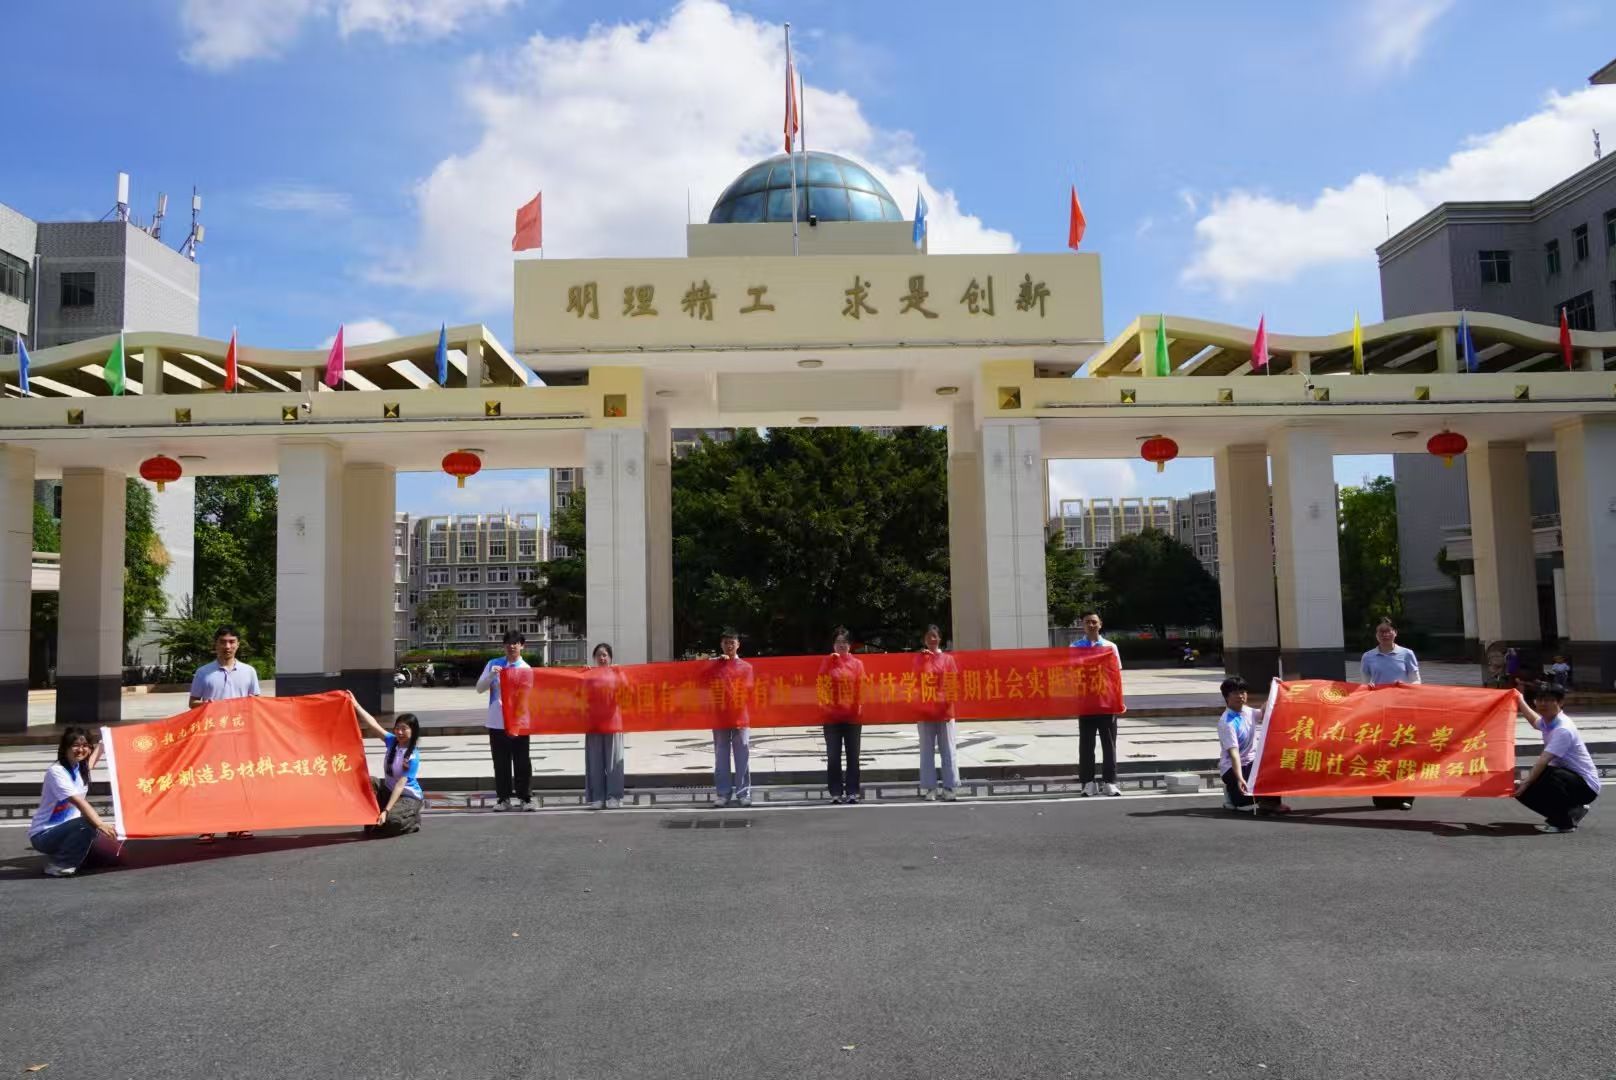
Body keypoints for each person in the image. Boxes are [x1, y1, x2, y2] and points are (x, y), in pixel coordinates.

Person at [189, 625, 261, 842]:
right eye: (223, 642)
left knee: (239, 780)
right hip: (211, 737)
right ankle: (208, 826)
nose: (227, 646)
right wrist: (206, 705)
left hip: (240, 736)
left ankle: (239, 825)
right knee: (211, 780)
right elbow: (192, 703)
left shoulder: (249, 671)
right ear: (215, 645)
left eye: (231, 642)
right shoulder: (203, 672)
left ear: (238, 644)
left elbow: (256, 702)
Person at [29, 727, 117, 877]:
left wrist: (105, 741)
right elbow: (78, 802)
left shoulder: (79, 768)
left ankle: (73, 855)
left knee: (111, 856)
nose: (81, 750)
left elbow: (91, 762)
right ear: (65, 747)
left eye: (85, 746)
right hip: (44, 834)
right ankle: (59, 864)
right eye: (76, 745)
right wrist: (100, 824)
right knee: (88, 823)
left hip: (68, 830)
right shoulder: (57, 772)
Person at [1513, 685, 1599, 833]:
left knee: (1544, 774)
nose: (1543, 704)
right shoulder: (1548, 722)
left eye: (1548, 700)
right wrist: (1520, 700)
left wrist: (1526, 782)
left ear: (1560, 702)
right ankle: (1572, 811)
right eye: (1539, 699)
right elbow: (1534, 721)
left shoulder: (1563, 729)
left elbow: (1543, 760)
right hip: (1569, 780)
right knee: (1518, 790)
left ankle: (1563, 824)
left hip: (1586, 787)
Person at [1360, 617, 1420, 811]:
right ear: (1376, 635)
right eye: (1381, 631)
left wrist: (1404, 687)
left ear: (1395, 633)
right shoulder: (1368, 656)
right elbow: (1364, 683)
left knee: (1403, 752)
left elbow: (1416, 681)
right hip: (1379, 711)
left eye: (1388, 631)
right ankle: (1382, 796)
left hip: (1403, 711)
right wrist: (1368, 687)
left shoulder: (1406, 654)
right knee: (1380, 753)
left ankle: (1406, 796)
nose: (1385, 634)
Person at [350, 695, 424, 836]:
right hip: (389, 792)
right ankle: (375, 815)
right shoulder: (392, 741)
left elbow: (400, 786)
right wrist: (356, 705)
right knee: (370, 781)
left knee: (391, 822)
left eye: (404, 729)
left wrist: (386, 811)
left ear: (413, 731)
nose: (399, 732)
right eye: (397, 728)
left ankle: (413, 820)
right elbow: (373, 724)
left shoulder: (412, 756)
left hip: (408, 798)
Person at [476, 631, 533, 811]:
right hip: (497, 721)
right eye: (508, 643)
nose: (511, 646)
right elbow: (479, 688)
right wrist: (491, 676)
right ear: (504, 646)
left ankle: (525, 798)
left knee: (522, 761)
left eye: (515, 643)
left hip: (518, 722)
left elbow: (528, 697)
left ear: (522, 646)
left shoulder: (526, 669)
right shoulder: (493, 664)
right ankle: (503, 798)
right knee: (501, 762)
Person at [1216, 677, 1289, 815]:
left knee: (1275, 768)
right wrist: (1239, 778)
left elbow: (1264, 712)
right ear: (1226, 696)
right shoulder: (1227, 723)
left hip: (1252, 762)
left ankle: (1270, 803)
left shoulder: (1247, 711)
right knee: (1244, 795)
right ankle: (1232, 796)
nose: (1240, 696)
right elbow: (1234, 754)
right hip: (1233, 768)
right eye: (1235, 693)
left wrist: (1274, 690)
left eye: (1243, 692)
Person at [1071, 611, 1122, 797]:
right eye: (1087, 622)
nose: (1091, 625)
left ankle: (1110, 782)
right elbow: (1072, 672)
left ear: (1100, 624)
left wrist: (1118, 702)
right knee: (1086, 745)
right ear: (1082, 625)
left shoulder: (1110, 647)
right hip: (1085, 703)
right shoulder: (1075, 647)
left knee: (1109, 745)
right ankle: (1088, 783)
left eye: (1094, 622)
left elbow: (1116, 676)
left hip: (1106, 703)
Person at [819, 627, 866, 804]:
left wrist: (859, 705)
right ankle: (835, 792)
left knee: (853, 756)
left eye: (845, 642)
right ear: (833, 645)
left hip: (852, 717)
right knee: (833, 756)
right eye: (838, 642)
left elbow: (862, 686)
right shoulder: (827, 662)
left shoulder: (857, 664)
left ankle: (852, 791)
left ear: (850, 645)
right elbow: (821, 685)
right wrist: (825, 706)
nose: (841, 645)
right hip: (831, 717)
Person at [709, 628, 755, 807]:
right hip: (720, 716)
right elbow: (701, 679)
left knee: (742, 755)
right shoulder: (714, 666)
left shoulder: (746, 667)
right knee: (721, 756)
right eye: (726, 642)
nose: (729, 646)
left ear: (738, 645)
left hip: (740, 716)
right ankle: (723, 793)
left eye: (732, 642)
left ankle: (743, 793)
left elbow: (749, 690)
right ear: (721, 645)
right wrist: (714, 664)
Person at [916, 624, 961, 801]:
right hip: (925, 712)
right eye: (928, 636)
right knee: (926, 751)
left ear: (940, 638)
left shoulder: (948, 659)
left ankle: (949, 786)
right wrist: (925, 661)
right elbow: (915, 681)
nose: (932, 639)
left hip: (945, 712)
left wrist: (944, 702)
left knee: (948, 749)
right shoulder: (920, 659)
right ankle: (930, 788)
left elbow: (953, 684)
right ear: (924, 640)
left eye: (934, 636)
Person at [584, 643, 627, 810]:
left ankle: (614, 796)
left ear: (610, 657)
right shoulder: (589, 675)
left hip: (613, 722)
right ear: (594, 658)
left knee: (613, 761)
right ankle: (597, 797)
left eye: (605, 655)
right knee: (595, 762)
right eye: (599, 655)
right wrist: (582, 675)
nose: (602, 658)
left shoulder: (616, 674)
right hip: (593, 723)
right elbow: (579, 693)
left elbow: (627, 690)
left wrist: (620, 673)